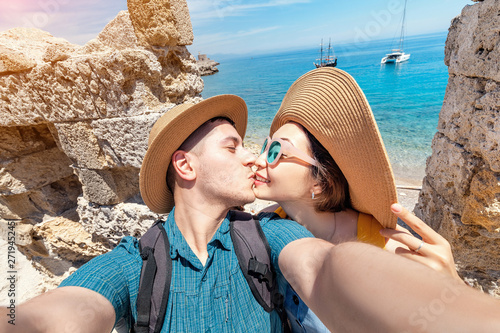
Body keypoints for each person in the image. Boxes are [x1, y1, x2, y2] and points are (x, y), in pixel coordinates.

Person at [1, 94, 500, 333]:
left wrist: (455, 310)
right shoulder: (138, 260)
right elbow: (62, 314)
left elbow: (329, 269)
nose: (253, 158)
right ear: (186, 164)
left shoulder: (267, 236)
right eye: (235, 145)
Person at [253, 67, 461, 332]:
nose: (258, 160)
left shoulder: (383, 245)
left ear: (320, 180)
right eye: (265, 145)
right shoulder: (270, 220)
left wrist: (452, 288)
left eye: (276, 151)